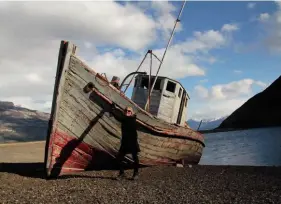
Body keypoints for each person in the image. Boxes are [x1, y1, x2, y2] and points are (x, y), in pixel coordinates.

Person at [113, 105, 140, 180]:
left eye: (129, 111)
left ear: (131, 113)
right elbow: (120, 117)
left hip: (133, 141)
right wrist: (114, 109)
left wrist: (112, 110)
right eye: (126, 111)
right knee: (119, 158)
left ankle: (136, 173)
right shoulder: (125, 118)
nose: (127, 112)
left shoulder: (131, 119)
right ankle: (122, 174)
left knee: (135, 158)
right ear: (124, 112)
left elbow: (119, 117)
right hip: (125, 142)